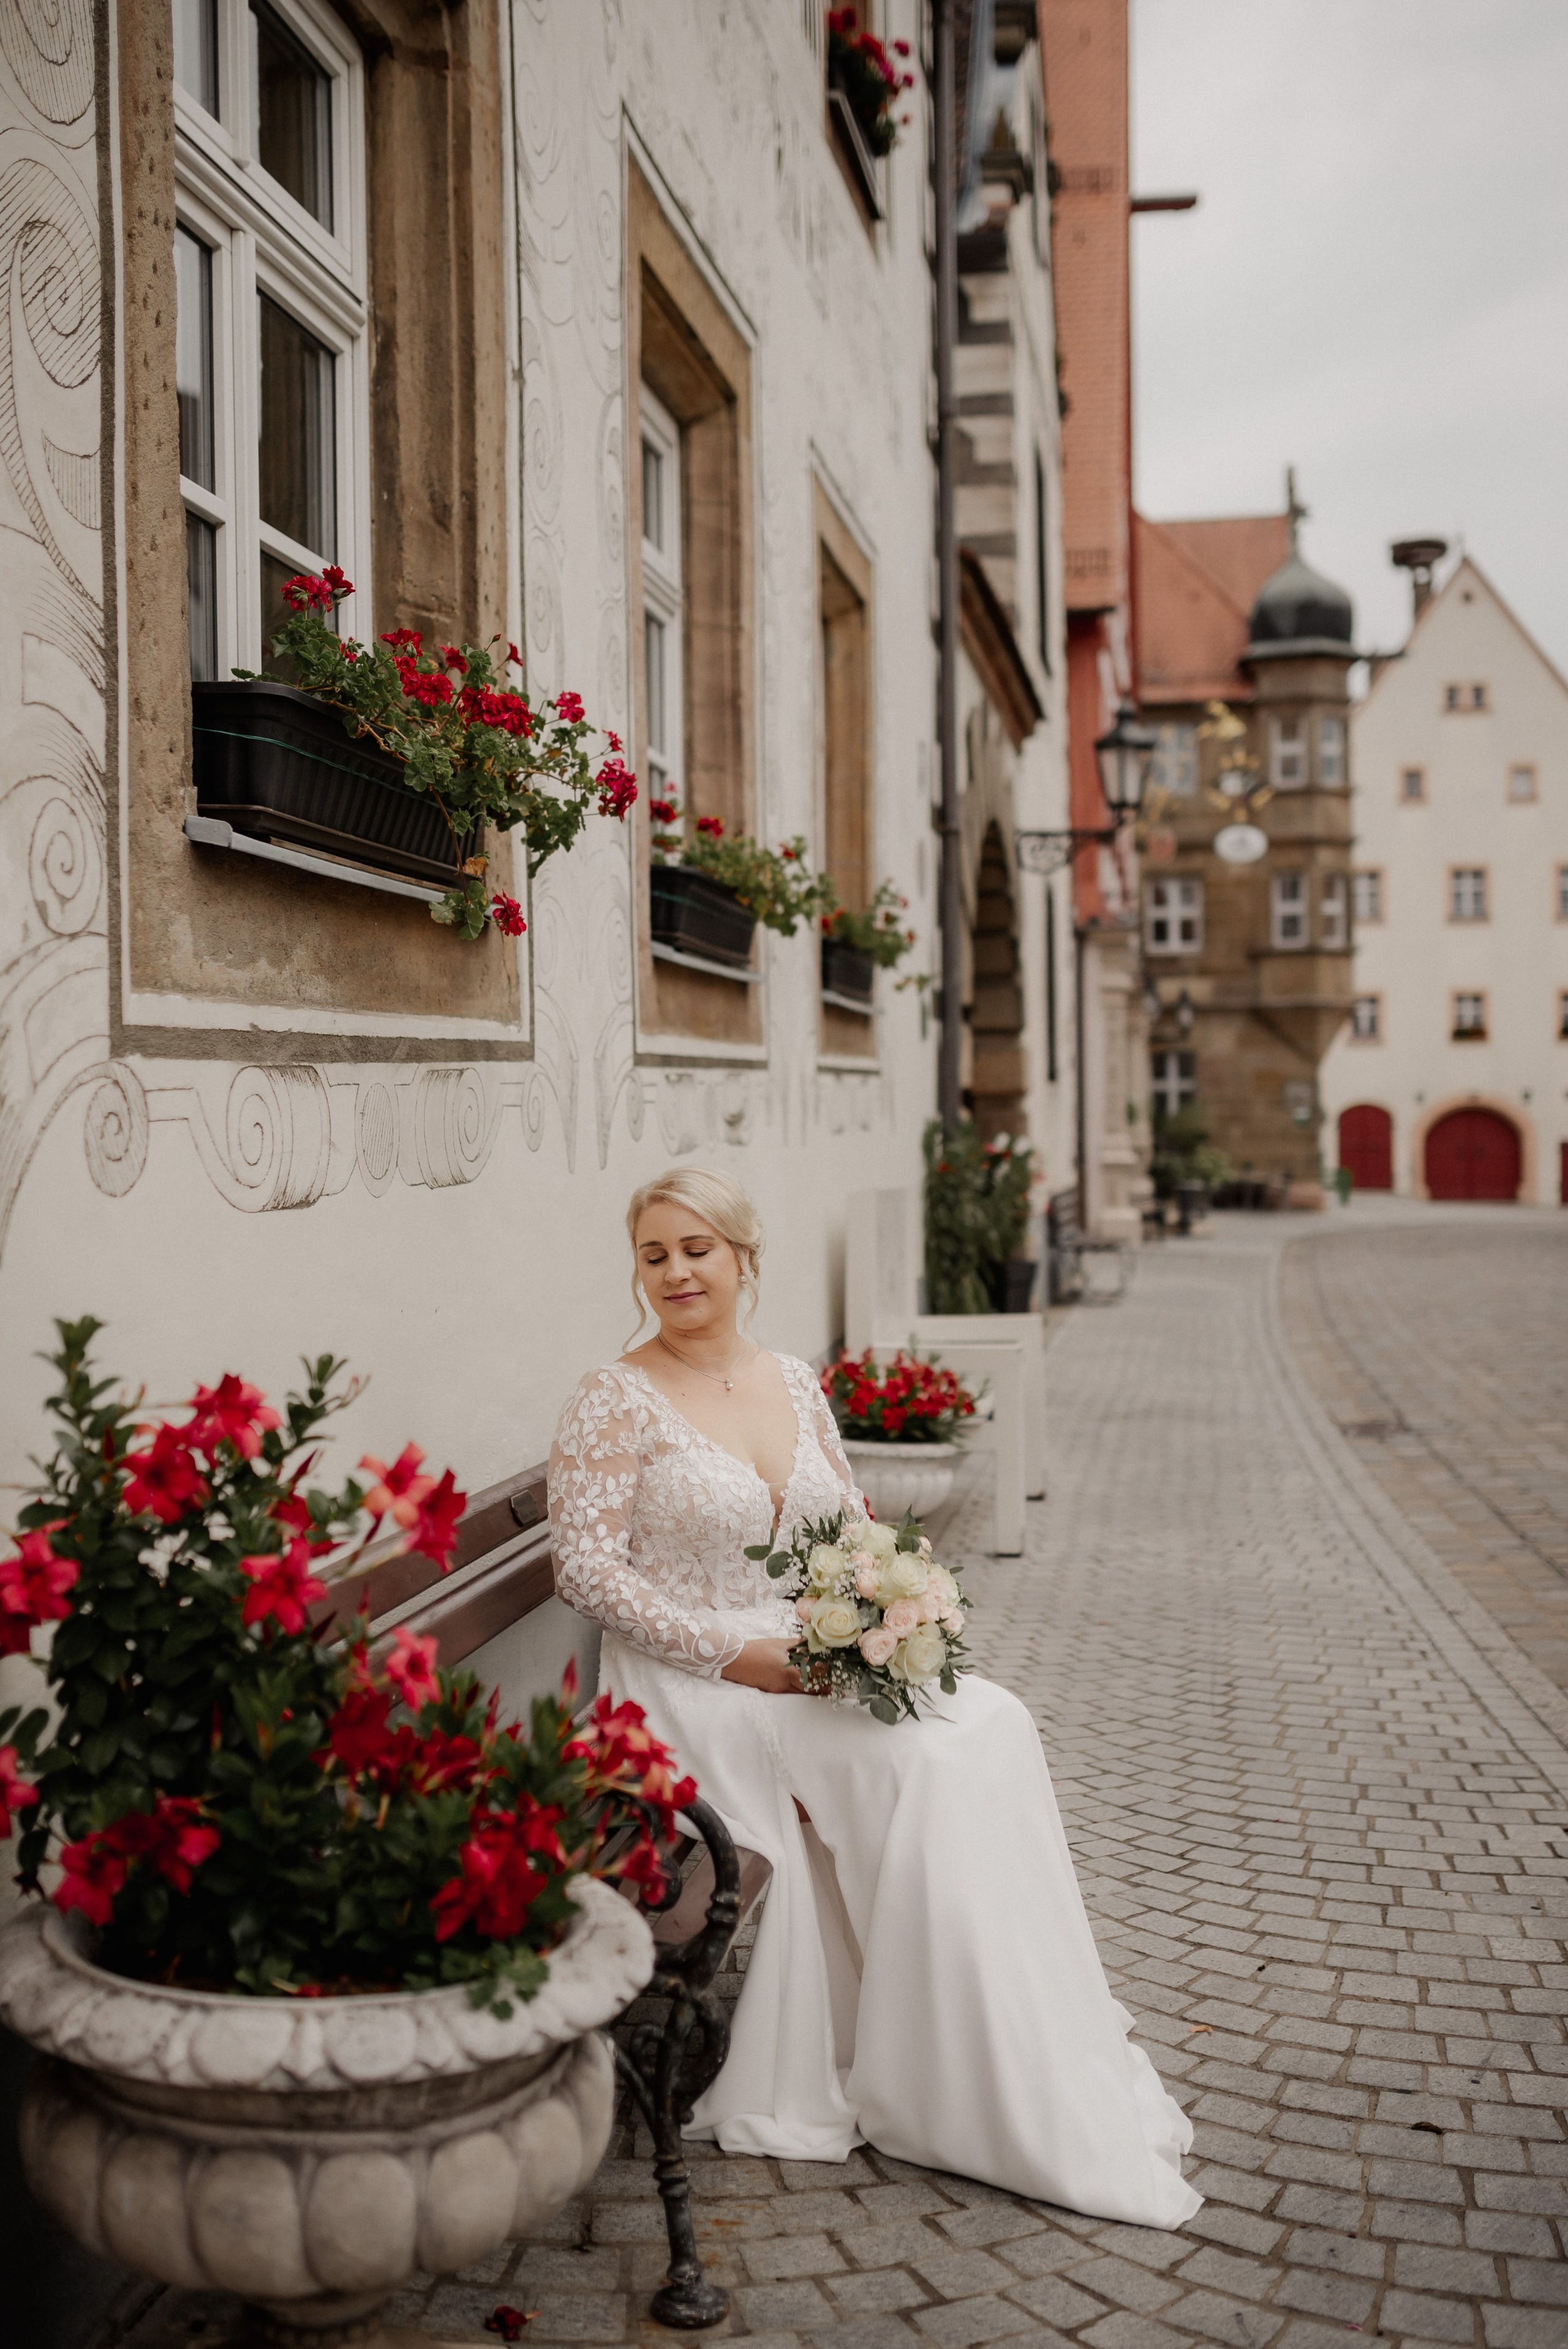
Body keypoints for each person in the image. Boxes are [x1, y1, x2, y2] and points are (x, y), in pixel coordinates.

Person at [548, 1166, 1199, 2225]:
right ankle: (938, 2067)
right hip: (693, 1679)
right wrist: (740, 1656)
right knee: (928, 1762)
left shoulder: (795, 1382)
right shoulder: (614, 1396)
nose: (675, 1272)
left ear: (745, 1259)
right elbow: (586, 1572)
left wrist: (894, 1608)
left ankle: (1007, 2040)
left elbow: (852, 1521)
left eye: (697, 1249)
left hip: (812, 1650)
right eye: (654, 1254)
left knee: (993, 1723)